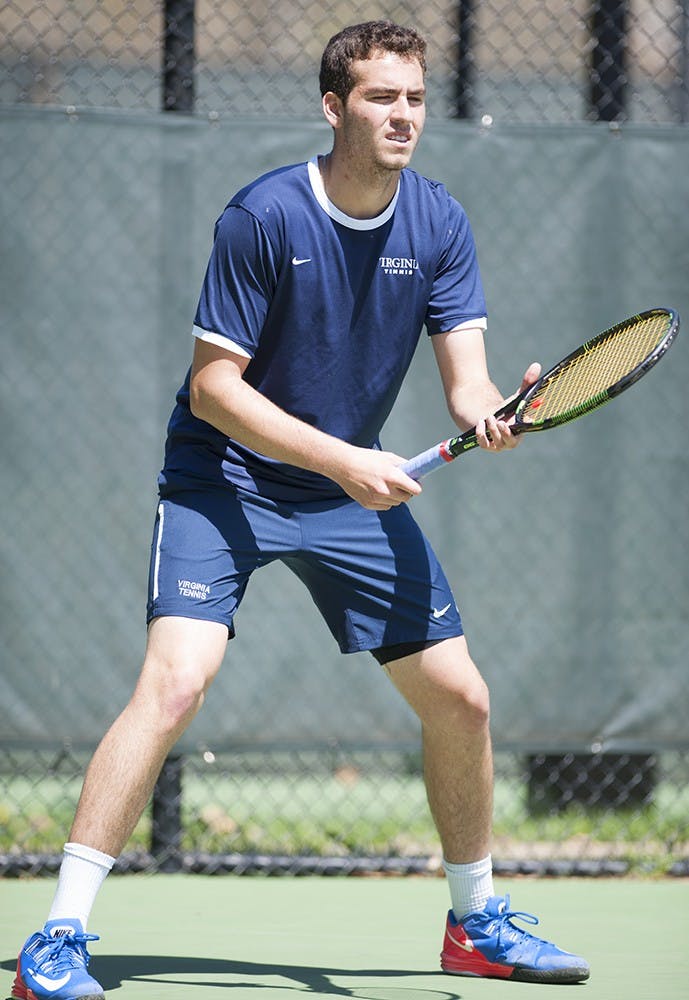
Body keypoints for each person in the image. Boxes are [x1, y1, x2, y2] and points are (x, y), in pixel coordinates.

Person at [9, 20, 590, 1000]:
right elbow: (213, 389)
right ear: (332, 106)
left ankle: (474, 922)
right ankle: (57, 939)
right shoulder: (265, 216)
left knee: (461, 699)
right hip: (224, 479)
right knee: (175, 684)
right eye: (380, 97)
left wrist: (494, 415)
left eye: (414, 98)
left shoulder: (439, 224)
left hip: (343, 491)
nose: (403, 115)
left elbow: (466, 386)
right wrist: (344, 460)